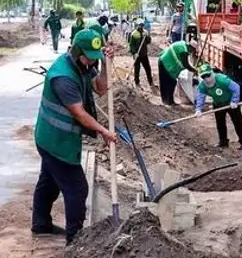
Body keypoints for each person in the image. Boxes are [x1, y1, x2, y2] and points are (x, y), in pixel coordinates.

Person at [31, 28, 118, 245]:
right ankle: (76, 240)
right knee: (77, 188)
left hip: (58, 138)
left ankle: (40, 225)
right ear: (77, 51)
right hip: (54, 141)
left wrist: (106, 64)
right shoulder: (63, 77)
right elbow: (79, 114)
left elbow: (101, 87)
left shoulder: (81, 66)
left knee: (49, 182)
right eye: (90, 57)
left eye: (94, 59)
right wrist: (104, 131)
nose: (92, 62)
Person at [195, 64, 242, 150]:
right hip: (218, 104)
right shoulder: (202, 85)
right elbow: (200, 97)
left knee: (238, 122)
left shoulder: (222, 79)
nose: (206, 78)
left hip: (231, 104)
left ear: (211, 73)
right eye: (204, 76)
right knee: (220, 124)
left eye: (208, 75)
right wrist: (198, 109)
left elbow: (236, 88)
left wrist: (234, 101)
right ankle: (223, 142)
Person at [157, 40, 197, 105]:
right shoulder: (183, 51)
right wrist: (195, 70)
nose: (192, 52)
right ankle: (169, 101)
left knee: (166, 82)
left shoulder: (182, 44)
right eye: (193, 50)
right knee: (170, 82)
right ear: (191, 47)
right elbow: (185, 64)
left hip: (164, 61)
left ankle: (166, 100)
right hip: (165, 63)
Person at [129, 20, 154, 87]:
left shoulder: (145, 32)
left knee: (148, 68)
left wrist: (147, 37)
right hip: (137, 55)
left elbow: (148, 42)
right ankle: (137, 82)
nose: (141, 26)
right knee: (137, 69)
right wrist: (134, 53)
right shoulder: (134, 34)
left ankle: (150, 81)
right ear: (137, 25)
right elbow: (131, 45)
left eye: (142, 25)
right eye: (139, 25)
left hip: (144, 54)